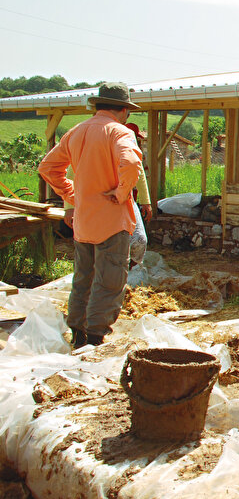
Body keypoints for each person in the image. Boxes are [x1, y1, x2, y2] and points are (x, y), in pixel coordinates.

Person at [38, 82, 143, 349]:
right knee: (109, 280)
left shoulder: (76, 131)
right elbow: (131, 163)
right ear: (123, 110)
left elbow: (48, 168)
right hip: (111, 221)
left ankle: (77, 333)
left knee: (83, 277)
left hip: (84, 222)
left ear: (97, 106)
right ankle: (94, 339)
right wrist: (121, 193)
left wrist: (73, 195)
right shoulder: (120, 133)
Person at [123, 123, 153, 268]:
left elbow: (142, 175)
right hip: (119, 197)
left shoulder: (137, 152)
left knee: (139, 239)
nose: (139, 141)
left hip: (131, 197)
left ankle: (131, 269)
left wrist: (145, 201)